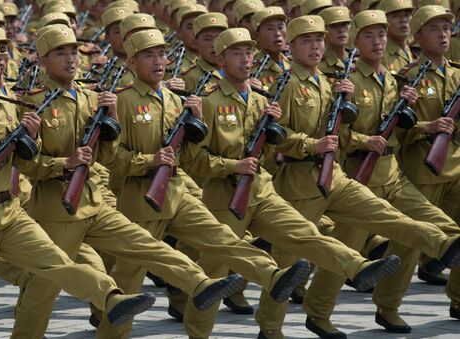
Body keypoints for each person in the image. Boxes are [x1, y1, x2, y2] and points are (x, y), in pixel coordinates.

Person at [0, 35, 157, 338]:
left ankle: (111, 298)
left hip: (10, 213)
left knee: (56, 262)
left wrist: (33, 139)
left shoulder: (9, 107)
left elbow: (27, 165)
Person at [97, 27, 314, 339]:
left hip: (175, 190)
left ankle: (273, 276)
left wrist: (194, 123)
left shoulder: (177, 102)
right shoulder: (124, 101)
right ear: (131, 63)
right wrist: (150, 161)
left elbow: (189, 158)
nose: (158, 61)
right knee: (130, 276)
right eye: (148, 55)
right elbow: (111, 160)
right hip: (139, 196)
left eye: (161, 53)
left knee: (221, 237)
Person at [256, 15, 460, 339]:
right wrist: (316, 144)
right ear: (292, 46)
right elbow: (274, 137)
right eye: (307, 41)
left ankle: (444, 243)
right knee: (289, 261)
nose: (316, 46)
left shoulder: (331, 83)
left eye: (319, 40)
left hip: (349, 175)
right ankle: (272, 327)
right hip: (299, 182)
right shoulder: (286, 84)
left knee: (390, 217)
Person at [398, 4, 460, 322]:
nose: (443, 34)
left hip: (456, 166)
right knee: (411, 242)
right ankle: (388, 304)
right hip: (422, 167)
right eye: (434, 29)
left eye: (446, 28)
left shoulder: (458, 74)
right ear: (418, 36)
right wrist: (429, 127)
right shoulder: (409, 77)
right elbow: (397, 130)